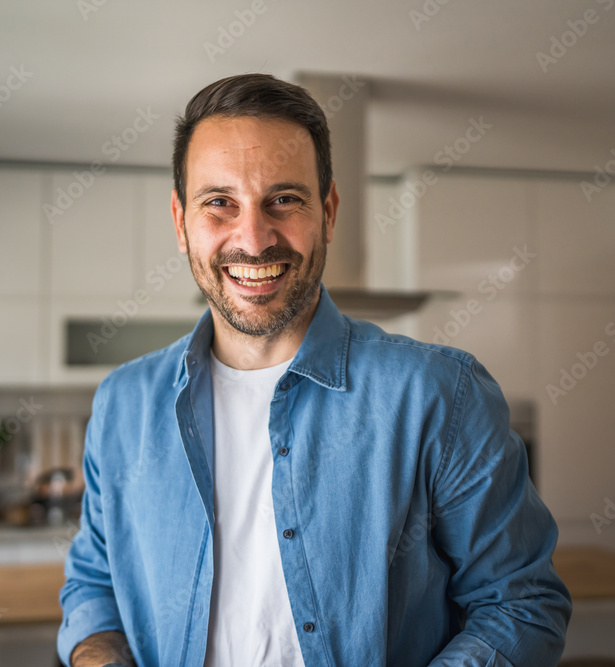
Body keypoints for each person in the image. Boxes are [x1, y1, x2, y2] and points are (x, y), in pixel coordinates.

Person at [58, 73, 571, 667]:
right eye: (219, 203)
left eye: (284, 200)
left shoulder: (438, 396)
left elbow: (521, 604)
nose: (252, 239)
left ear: (328, 212)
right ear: (181, 222)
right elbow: (93, 587)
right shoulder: (123, 404)